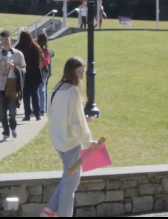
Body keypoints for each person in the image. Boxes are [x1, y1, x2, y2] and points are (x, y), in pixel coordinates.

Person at [41, 57, 104, 218]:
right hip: (70, 143)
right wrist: (90, 142)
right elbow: (75, 122)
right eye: (80, 72)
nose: (82, 75)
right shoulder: (72, 91)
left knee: (68, 178)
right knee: (70, 185)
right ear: (71, 71)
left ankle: (49, 211)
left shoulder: (56, 88)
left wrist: (83, 117)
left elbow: (53, 114)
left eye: (83, 72)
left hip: (58, 140)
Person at [0, 30, 25, 141]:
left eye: (6, 39)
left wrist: (14, 68)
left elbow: (24, 69)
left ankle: (13, 127)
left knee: (12, 110)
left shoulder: (18, 54)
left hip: (12, 85)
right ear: (0, 41)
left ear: (10, 39)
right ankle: (5, 132)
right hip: (0, 86)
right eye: (3, 39)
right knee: (2, 111)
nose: (5, 41)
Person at [16, 31, 44, 121]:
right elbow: (42, 58)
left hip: (25, 73)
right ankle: (37, 113)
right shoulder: (36, 47)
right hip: (35, 73)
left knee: (26, 95)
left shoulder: (19, 48)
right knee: (35, 94)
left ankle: (27, 114)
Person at [37, 33, 55, 116]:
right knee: (44, 89)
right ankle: (45, 107)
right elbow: (53, 54)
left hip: (41, 70)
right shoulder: (48, 49)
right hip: (47, 70)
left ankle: (42, 108)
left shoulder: (40, 49)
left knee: (41, 89)